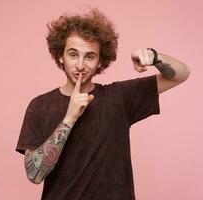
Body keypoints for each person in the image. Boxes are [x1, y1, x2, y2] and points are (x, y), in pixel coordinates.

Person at [15, 8, 190, 200]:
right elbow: (34, 174)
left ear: (100, 62)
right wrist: (69, 118)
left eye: (89, 56)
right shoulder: (40, 106)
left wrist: (154, 57)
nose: (80, 65)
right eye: (73, 54)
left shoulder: (120, 97)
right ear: (60, 56)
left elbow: (181, 74)